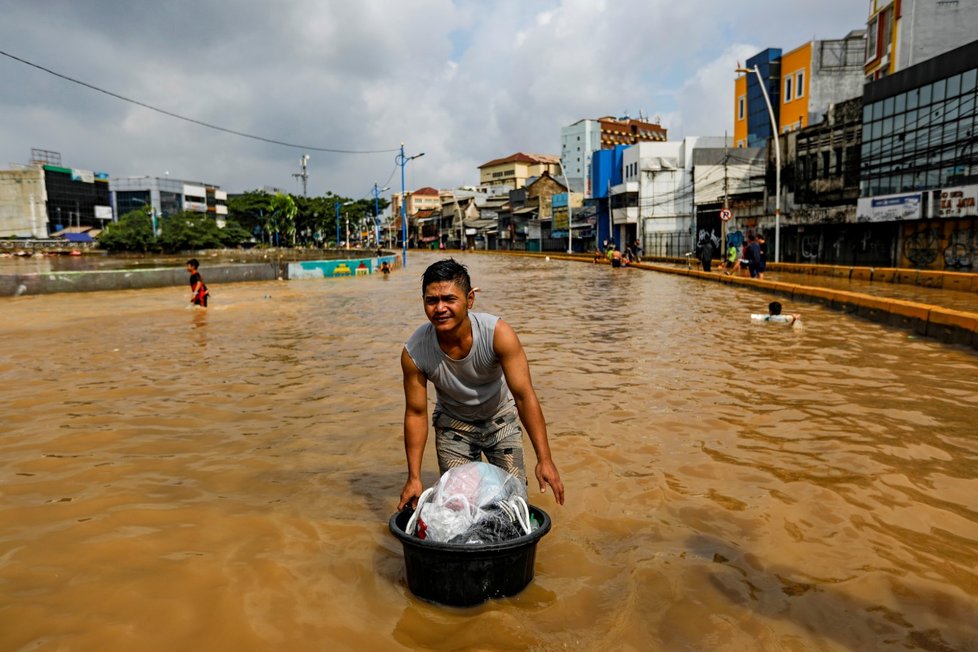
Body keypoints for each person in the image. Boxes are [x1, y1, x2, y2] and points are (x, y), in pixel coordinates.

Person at [397, 259, 565, 510]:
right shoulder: (415, 352)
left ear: (470, 299)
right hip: (453, 427)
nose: (440, 308)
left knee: (512, 504)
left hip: (501, 422)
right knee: (459, 508)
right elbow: (416, 413)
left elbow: (524, 396)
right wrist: (414, 477)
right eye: (431, 301)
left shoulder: (497, 333)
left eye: (449, 299)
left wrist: (545, 459)